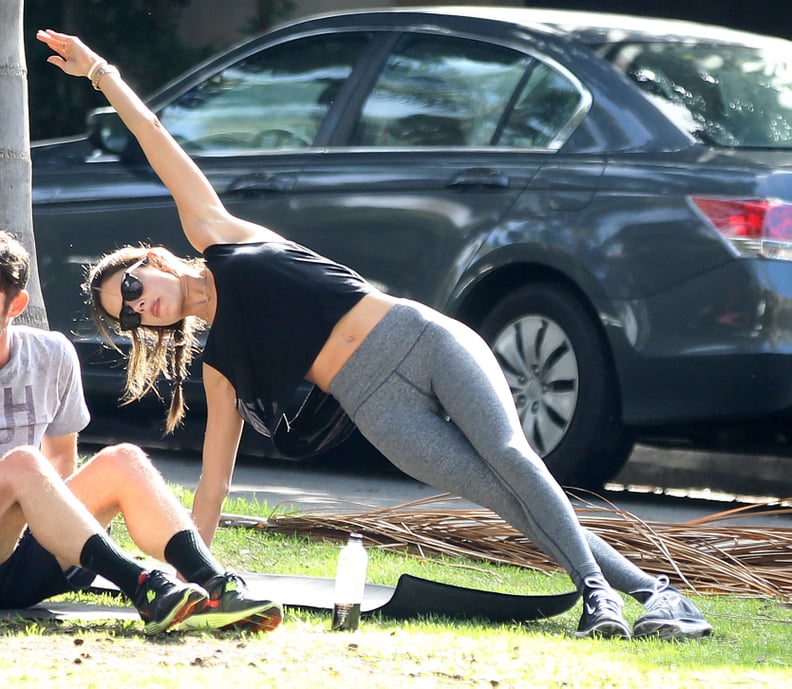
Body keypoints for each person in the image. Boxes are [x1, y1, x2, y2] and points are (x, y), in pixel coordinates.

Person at [37, 28, 713, 641]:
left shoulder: (218, 235)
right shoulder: (221, 365)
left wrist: (100, 71)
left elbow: (156, 137)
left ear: (153, 261)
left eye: (130, 289)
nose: (138, 309)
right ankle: (654, 591)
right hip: (378, 407)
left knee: (511, 453)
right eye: (127, 317)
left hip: (419, 339)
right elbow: (213, 483)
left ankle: (600, 596)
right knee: (502, 495)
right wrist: (203, 581)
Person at [0, 231, 281, 635]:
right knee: (24, 463)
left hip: (29, 556)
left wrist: (52, 521)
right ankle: (143, 586)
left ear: (17, 304)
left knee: (123, 459)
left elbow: (62, 462)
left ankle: (214, 584)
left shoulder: (51, 354)